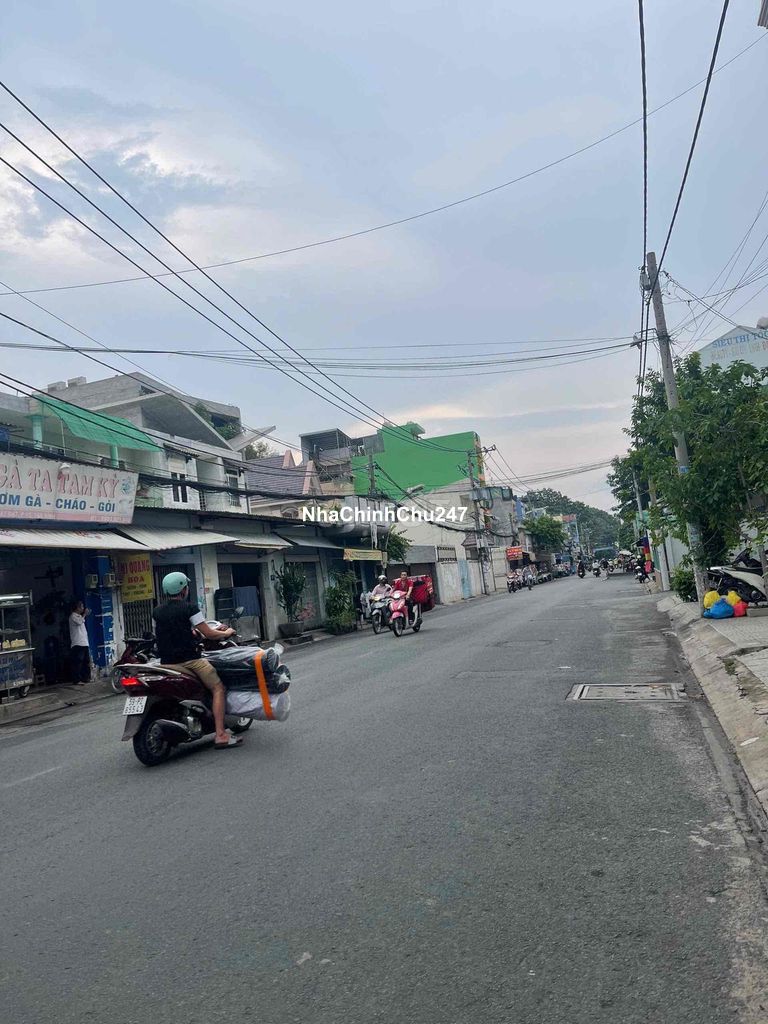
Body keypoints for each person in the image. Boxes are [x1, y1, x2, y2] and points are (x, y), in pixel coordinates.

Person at [152, 572, 242, 749]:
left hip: (166, 663)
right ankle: (221, 734)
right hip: (190, 661)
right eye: (186, 587)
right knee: (218, 688)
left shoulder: (157, 611)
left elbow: (164, 633)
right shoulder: (190, 608)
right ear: (183, 590)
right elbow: (209, 633)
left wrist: (192, 633)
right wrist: (227, 632)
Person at [69, 599, 91, 685]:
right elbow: (79, 622)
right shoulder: (73, 616)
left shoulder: (80, 616)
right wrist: (84, 614)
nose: (83, 608)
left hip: (84, 642)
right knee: (78, 662)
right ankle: (77, 680)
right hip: (77, 643)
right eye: (81, 606)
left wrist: (84, 615)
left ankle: (85, 678)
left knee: (86, 661)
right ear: (77, 608)